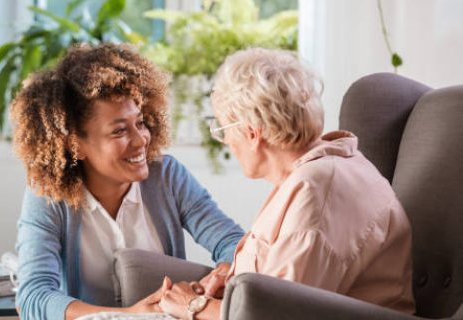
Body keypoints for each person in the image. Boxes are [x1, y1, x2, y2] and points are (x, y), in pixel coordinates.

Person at [157, 48, 415, 319]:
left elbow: (279, 312)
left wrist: (194, 307)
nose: (227, 142)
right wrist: (232, 279)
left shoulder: (316, 190)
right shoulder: (324, 170)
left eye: (222, 130)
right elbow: (282, 283)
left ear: (251, 133)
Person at [10, 43, 245, 320]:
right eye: (119, 130)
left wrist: (220, 274)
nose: (140, 140)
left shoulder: (167, 177)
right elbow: (33, 297)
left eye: (141, 122)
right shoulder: (48, 196)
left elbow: (233, 243)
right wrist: (127, 315)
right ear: (75, 145)